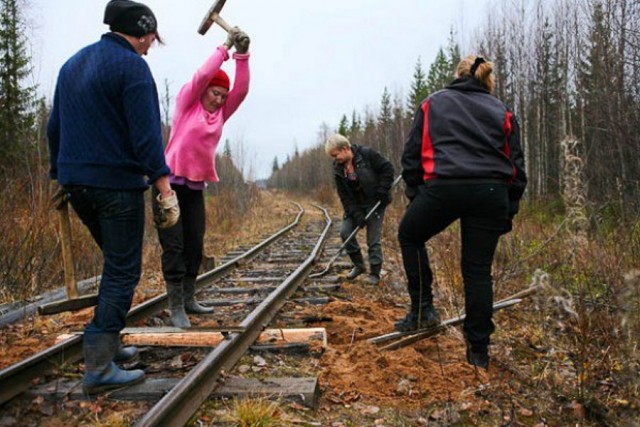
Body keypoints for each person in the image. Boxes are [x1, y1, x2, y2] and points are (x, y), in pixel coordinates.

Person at [47, 0, 180, 394]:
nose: (151, 46)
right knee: (124, 270)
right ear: (142, 32)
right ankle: (100, 365)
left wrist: (60, 174)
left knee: (114, 263)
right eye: (151, 38)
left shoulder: (73, 64)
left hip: (77, 183)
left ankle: (107, 343)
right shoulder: (132, 68)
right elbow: (145, 136)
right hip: (115, 185)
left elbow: (55, 126)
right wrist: (163, 185)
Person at [397, 55, 527, 369]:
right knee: (477, 271)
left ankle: (422, 310)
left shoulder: (433, 104)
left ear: (458, 75)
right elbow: (517, 166)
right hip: (491, 192)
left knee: (410, 235)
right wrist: (509, 208)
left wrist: (416, 193)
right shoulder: (502, 110)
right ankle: (478, 351)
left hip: (444, 187)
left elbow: (412, 155)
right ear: (487, 79)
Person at [153, 27, 251, 328]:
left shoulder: (220, 115)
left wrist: (243, 56)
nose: (220, 99)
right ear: (205, 90)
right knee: (174, 245)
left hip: (194, 187)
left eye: (223, 95)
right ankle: (175, 306)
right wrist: (223, 49)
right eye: (215, 92)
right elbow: (200, 76)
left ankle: (189, 298)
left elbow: (242, 91)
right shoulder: (187, 105)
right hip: (168, 186)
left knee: (195, 243)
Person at [325, 134, 395, 285]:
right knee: (345, 232)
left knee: (373, 240)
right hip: (355, 206)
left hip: (375, 202)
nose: (334, 159)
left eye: (335, 155)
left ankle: (375, 274)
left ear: (344, 149)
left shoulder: (367, 155)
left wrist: (383, 189)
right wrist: (356, 214)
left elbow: (388, 169)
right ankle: (359, 266)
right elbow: (344, 196)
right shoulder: (338, 169)